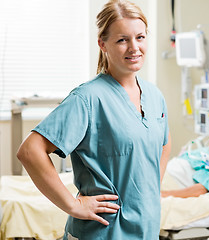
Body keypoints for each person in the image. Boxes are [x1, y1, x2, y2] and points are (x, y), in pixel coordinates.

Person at [16, 0, 171, 239]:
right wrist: (73, 205)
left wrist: (149, 192)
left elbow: (163, 144)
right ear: (103, 44)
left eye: (140, 37)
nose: (134, 47)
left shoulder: (155, 96)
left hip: (146, 227)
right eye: (122, 40)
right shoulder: (87, 98)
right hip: (104, 230)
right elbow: (30, 151)